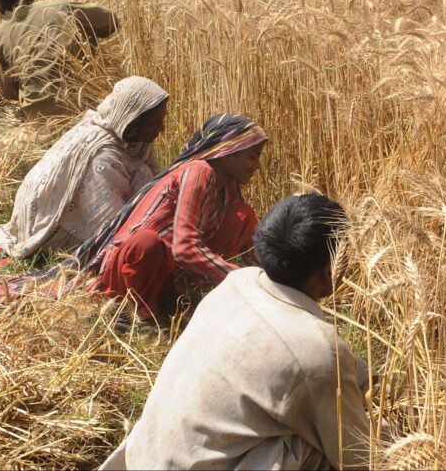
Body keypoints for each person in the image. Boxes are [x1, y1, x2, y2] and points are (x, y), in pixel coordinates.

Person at [99, 193, 373, 470]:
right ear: (327, 271)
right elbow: (359, 455)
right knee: (311, 450)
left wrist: (361, 376)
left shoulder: (237, 282)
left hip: (142, 459)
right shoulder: (316, 352)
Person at [75, 113, 268, 321]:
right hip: (130, 275)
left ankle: (177, 296)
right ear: (228, 152)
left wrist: (270, 281)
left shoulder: (229, 187)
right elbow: (185, 248)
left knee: (242, 216)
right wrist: (238, 279)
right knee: (147, 243)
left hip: (167, 274)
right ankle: (139, 314)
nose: (257, 166)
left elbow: (252, 250)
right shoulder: (198, 172)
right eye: (253, 156)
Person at [0, 76, 168, 263]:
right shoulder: (103, 157)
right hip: (51, 229)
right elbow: (109, 226)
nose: (162, 128)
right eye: (154, 122)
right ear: (132, 120)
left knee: (143, 174)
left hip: (76, 211)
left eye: (162, 119)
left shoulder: (132, 140)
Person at [0, 0, 118, 120]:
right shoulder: (58, 7)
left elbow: (6, 89)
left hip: (37, 117)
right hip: (80, 105)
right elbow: (110, 19)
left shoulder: (0, 35)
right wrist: (86, 38)